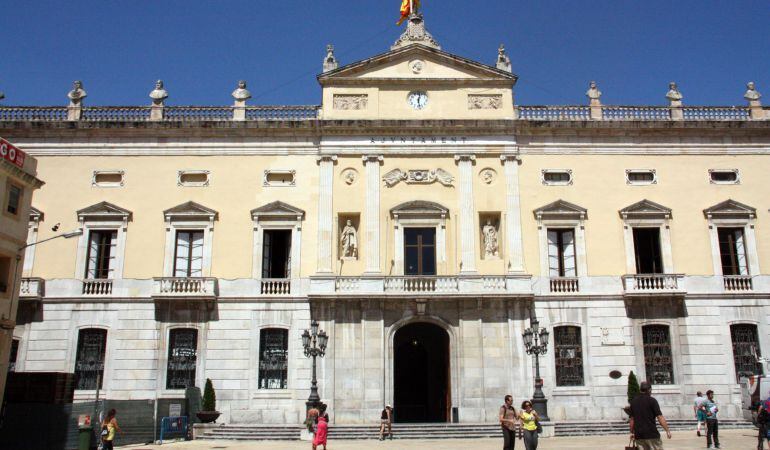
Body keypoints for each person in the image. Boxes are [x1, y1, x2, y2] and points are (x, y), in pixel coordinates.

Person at [629, 381, 672, 450]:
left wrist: (631, 432)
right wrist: (667, 430)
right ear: (649, 390)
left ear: (640, 390)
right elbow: (660, 417)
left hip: (639, 435)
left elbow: (632, 419)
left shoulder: (633, 402)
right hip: (652, 434)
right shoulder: (652, 401)